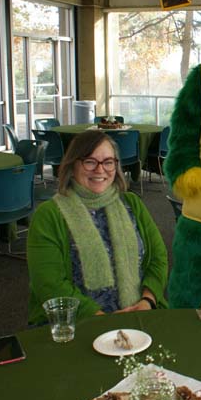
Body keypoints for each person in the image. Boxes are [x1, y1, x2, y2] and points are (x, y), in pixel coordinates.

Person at [27, 130, 168, 325]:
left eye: (108, 162)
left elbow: (158, 258)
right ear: (72, 165)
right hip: (76, 324)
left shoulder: (132, 203)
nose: (100, 170)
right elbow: (50, 285)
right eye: (90, 162)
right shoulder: (49, 215)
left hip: (138, 314)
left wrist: (147, 300)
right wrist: (101, 320)